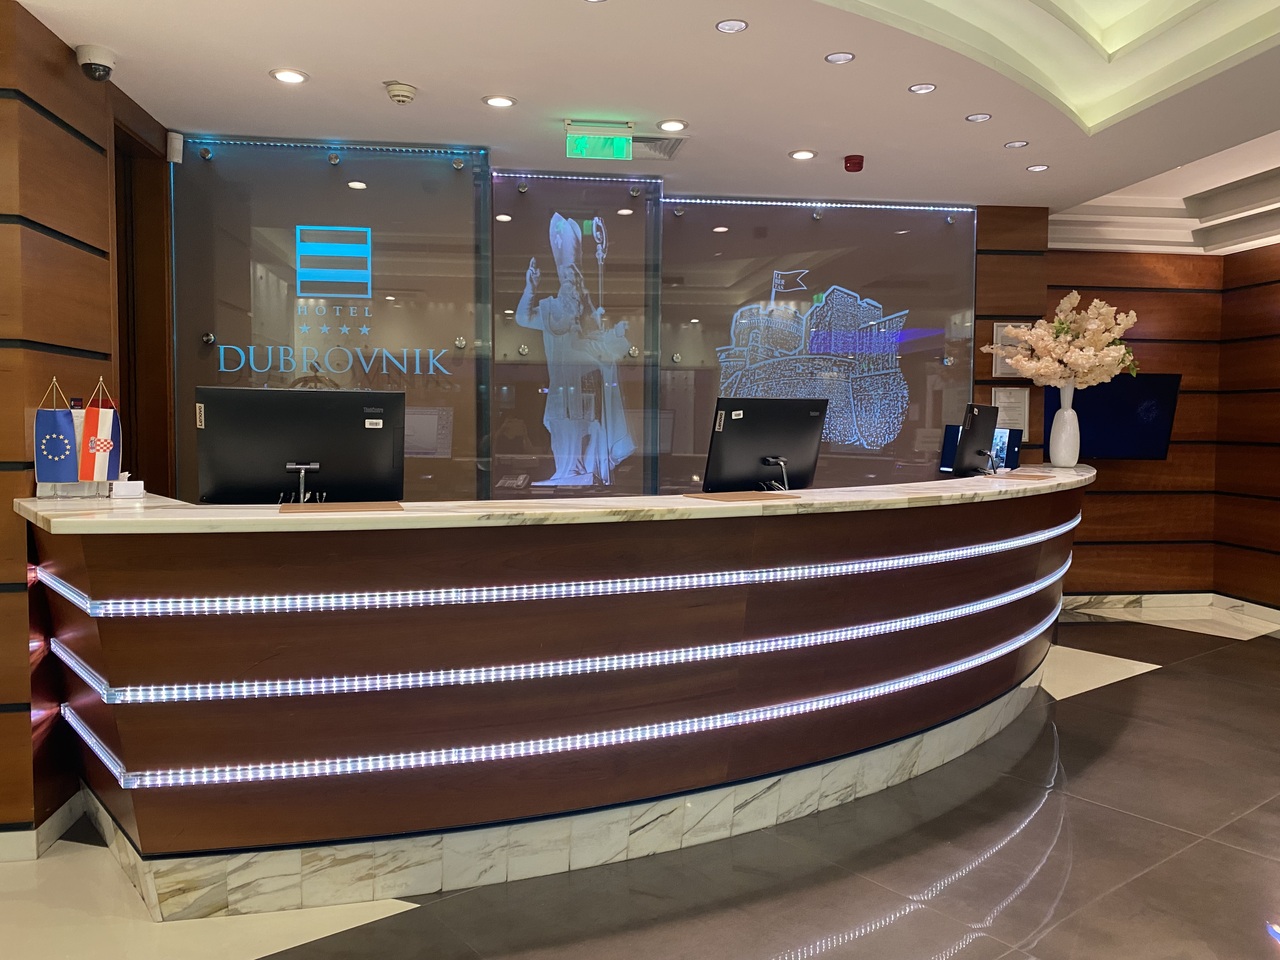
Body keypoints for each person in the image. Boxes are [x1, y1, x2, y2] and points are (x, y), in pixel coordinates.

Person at [515, 213, 634, 485]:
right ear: (560, 280)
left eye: (574, 276)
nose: (571, 281)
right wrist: (530, 289)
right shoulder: (550, 309)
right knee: (563, 432)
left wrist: (614, 335)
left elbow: (598, 342)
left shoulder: (585, 315)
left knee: (590, 429)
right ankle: (567, 473)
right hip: (562, 387)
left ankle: (587, 471)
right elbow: (522, 317)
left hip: (584, 388)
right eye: (566, 276)